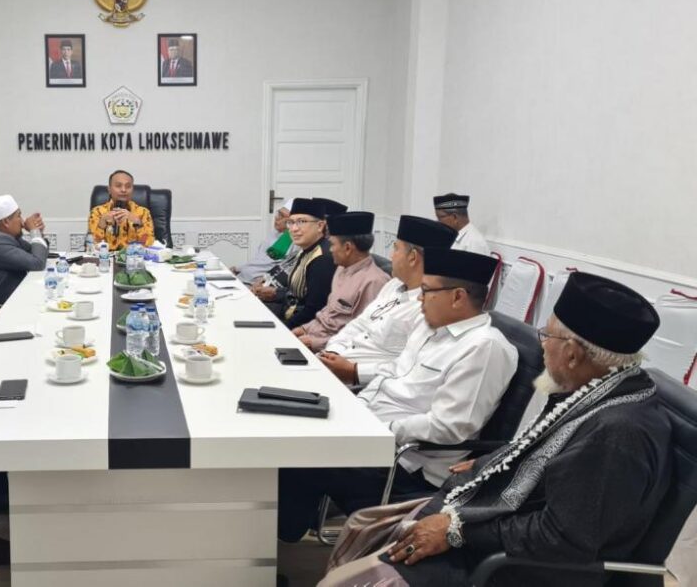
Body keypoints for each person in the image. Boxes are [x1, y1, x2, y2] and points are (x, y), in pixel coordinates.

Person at [322, 272, 669, 587]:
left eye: (547, 335)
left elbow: (562, 538)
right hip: (498, 524)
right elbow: (546, 454)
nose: (542, 343)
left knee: (367, 574)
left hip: (516, 567)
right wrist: (492, 460)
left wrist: (458, 530)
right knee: (366, 526)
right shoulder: (600, 390)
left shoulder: (618, 433)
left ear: (573, 354)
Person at [279, 248, 517, 542]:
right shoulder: (429, 328)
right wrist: (357, 407)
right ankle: (282, 529)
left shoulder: (484, 348)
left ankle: (278, 538)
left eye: (426, 291)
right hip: (373, 434)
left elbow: (451, 426)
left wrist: (380, 429)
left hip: (407, 464)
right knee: (292, 425)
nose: (419, 299)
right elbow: (392, 373)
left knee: (300, 453)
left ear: (457, 297)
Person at [319, 216, 457, 385]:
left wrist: (354, 371)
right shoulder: (393, 284)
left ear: (413, 257)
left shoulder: (429, 307)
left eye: (395, 248)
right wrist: (334, 351)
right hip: (337, 363)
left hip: (364, 383)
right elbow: (359, 324)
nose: (391, 256)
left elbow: (407, 367)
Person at [293, 211, 389, 352]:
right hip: (312, 336)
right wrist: (303, 329)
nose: (330, 249)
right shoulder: (341, 268)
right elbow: (329, 313)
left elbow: (363, 333)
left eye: (332, 244)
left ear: (348, 248)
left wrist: (315, 342)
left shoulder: (374, 282)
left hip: (332, 350)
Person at [255, 198, 338, 328]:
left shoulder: (323, 258)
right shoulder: (305, 250)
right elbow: (296, 292)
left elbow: (313, 311)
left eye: (301, 222)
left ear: (320, 226)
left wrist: (283, 329)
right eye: (291, 222)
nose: (293, 229)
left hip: (301, 327)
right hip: (286, 312)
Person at [0, 194, 49, 304]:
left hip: (13, 298)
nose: (22, 222)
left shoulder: (4, 236)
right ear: (6, 222)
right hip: (0, 306)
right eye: (19, 216)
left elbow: (36, 254)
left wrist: (38, 233)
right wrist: (34, 232)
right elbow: (37, 263)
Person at [232, 200, 298, 285]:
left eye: (282, 216)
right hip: (243, 277)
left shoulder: (293, 241)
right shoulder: (274, 233)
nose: (277, 218)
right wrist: (238, 268)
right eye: (278, 213)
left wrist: (265, 282)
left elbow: (279, 270)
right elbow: (259, 260)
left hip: (255, 284)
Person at [88, 169, 155, 250]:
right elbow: (92, 247)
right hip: (106, 256)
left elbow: (149, 245)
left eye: (128, 186)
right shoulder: (97, 212)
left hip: (133, 256)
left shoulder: (143, 213)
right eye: (118, 186)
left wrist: (138, 223)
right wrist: (101, 224)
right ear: (109, 189)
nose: (124, 190)